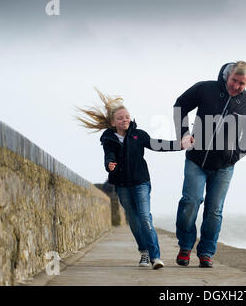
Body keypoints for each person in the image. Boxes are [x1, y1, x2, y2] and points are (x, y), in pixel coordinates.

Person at [77, 88, 183, 270]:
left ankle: (155, 257)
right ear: (113, 122)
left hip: (141, 182)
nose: (125, 120)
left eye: (127, 116)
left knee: (144, 217)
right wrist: (109, 163)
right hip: (122, 185)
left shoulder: (138, 135)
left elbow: (157, 145)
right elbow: (108, 155)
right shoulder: (108, 138)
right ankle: (144, 252)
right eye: (120, 118)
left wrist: (180, 145)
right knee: (133, 221)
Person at [173, 61, 246, 267]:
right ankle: (185, 247)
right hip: (196, 159)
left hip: (224, 167)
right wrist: (184, 134)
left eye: (242, 83)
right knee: (191, 202)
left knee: (214, 210)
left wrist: (234, 155)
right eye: (234, 81)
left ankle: (206, 253)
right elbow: (180, 105)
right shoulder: (206, 88)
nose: (237, 86)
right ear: (227, 76)